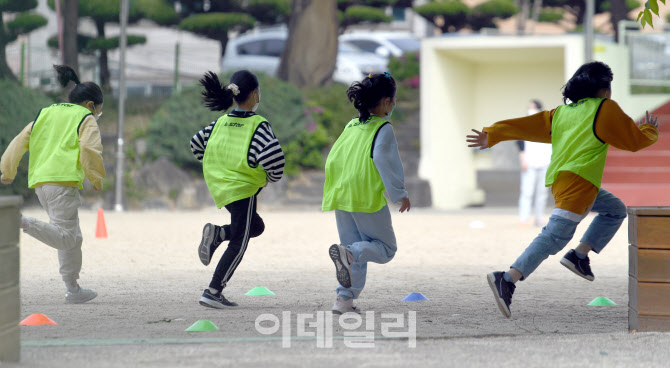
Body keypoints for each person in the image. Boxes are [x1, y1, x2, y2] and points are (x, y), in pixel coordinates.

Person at [466, 61, 659, 318]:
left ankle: (579, 256)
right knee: (554, 237)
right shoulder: (604, 108)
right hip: (580, 185)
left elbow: (524, 125)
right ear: (604, 89)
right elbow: (633, 141)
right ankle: (508, 278)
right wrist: (649, 130)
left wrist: (493, 134)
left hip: (563, 182)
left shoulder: (560, 113)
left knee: (614, 210)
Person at [0, 65, 105, 304]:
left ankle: (73, 288)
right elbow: (89, 148)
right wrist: (96, 177)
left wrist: (7, 170)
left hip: (41, 184)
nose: (99, 113)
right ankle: (19, 220)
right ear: (90, 105)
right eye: (99, 109)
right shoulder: (85, 118)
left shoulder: (44, 113)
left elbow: (19, 141)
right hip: (63, 182)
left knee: (72, 236)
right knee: (67, 237)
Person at [190, 70, 284, 309]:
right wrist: (268, 178)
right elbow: (275, 161)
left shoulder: (221, 122)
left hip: (222, 188)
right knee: (240, 242)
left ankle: (219, 234)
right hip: (243, 188)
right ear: (255, 95)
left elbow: (196, 143)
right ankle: (213, 291)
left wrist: (218, 166)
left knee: (256, 226)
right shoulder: (258, 125)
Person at [322, 72, 411, 314]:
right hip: (365, 196)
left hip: (342, 193)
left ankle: (343, 300)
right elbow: (384, 159)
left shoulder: (351, 124)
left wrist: (335, 186)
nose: (393, 105)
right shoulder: (384, 128)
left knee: (352, 249)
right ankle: (350, 254)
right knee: (384, 249)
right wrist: (399, 193)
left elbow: (334, 156)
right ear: (385, 102)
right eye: (393, 100)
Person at [517, 100, 552, 227]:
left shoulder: (548, 126)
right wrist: (523, 159)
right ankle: (523, 218)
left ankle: (539, 218)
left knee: (542, 193)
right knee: (527, 192)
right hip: (530, 163)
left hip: (545, 163)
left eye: (533, 107)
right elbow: (520, 144)